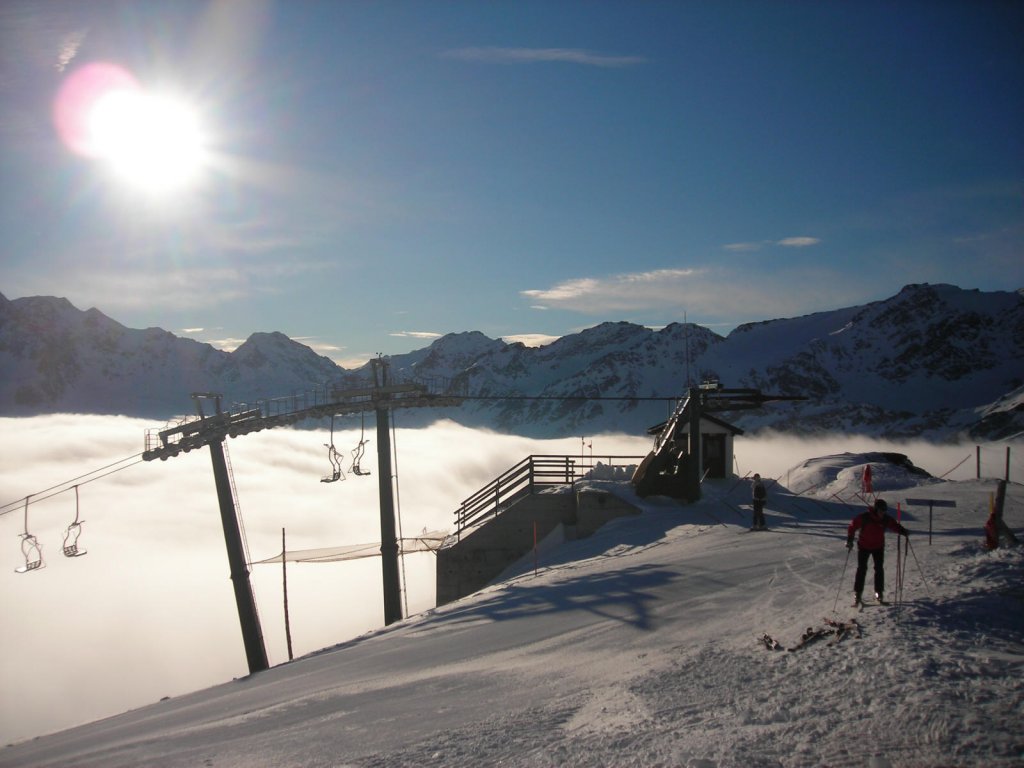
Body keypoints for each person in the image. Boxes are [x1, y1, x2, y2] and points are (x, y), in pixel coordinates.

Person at [846, 499, 908, 606]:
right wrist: (850, 539)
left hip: (878, 546)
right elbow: (853, 526)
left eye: (884, 511)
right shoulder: (865, 517)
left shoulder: (885, 519)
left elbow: (894, 525)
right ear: (875, 509)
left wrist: (902, 531)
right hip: (864, 546)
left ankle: (879, 593)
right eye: (881, 511)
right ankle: (858, 594)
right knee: (861, 569)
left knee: (879, 569)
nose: (882, 513)